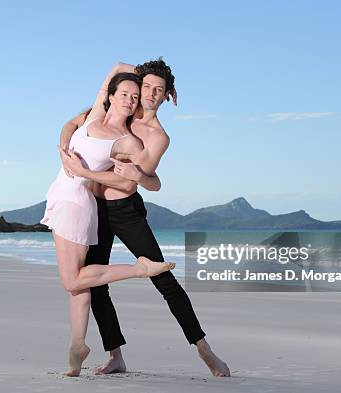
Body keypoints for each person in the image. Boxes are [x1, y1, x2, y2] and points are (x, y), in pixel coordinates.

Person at [59, 59, 231, 377]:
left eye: (159, 90)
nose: (149, 94)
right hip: (91, 206)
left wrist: (139, 174)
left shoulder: (156, 136)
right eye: (146, 86)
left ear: (167, 96)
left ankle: (205, 351)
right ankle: (116, 356)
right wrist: (64, 147)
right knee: (96, 283)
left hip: (125, 211)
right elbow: (74, 123)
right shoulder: (121, 106)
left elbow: (150, 181)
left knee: (163, 280)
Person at [41, 72, 176, 377]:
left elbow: (143, 181)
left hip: (76, 203)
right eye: (126, 94)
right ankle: (77, 346)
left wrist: (89, 174)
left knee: (71, 281)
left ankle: (139, 269)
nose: (131, 100)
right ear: (110, 96)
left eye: (134, 95)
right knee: (79, 283)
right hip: (60, 195)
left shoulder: (127, 140)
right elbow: (69, 124)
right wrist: (63, 150)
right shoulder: (93, 116)